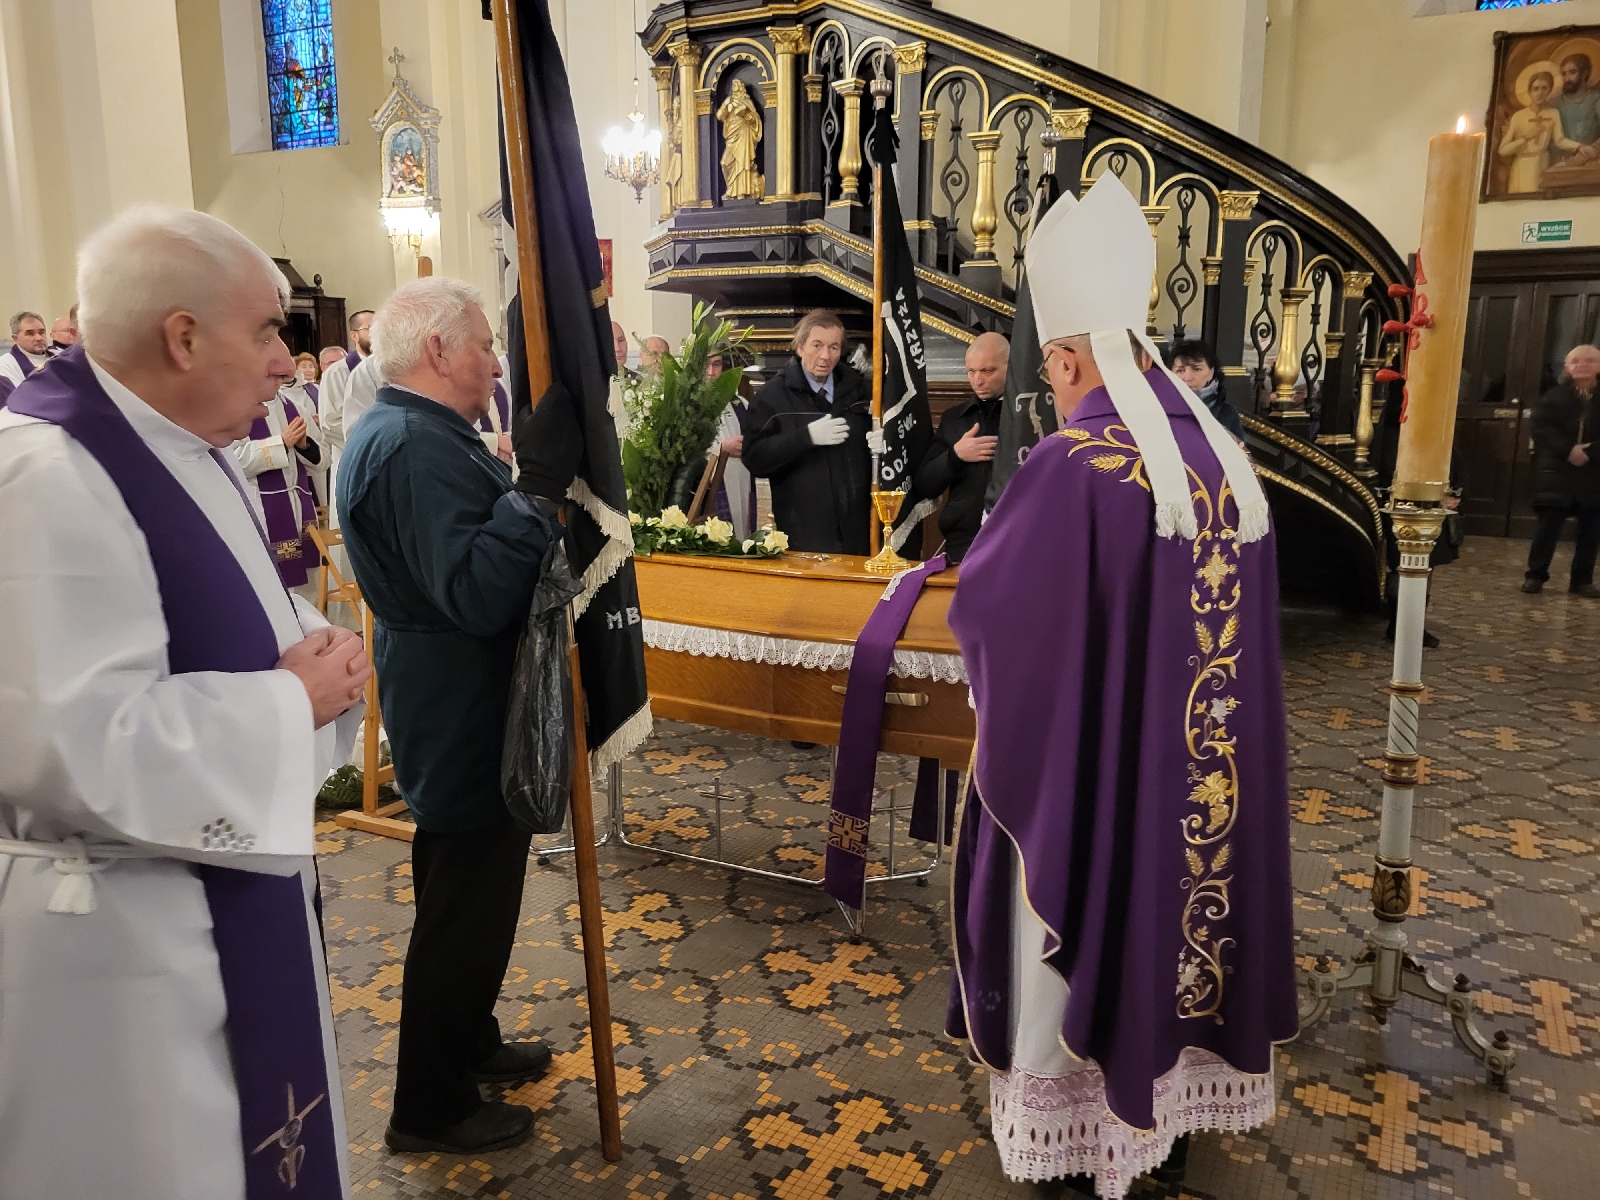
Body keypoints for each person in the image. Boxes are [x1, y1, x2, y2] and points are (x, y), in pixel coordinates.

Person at [0, 204, 369, 1199]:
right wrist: (290, 700)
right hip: (122, 939)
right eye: (268, 330)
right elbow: (74, 744)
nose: (286, 363)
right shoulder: (45, 474)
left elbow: (225, 612)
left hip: (211, 897)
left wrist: (314, 648)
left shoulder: (183, 448)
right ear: (183, 337)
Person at [945, 175, 1295, 1199]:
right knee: (1187, 915)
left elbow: (993, 611)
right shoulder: (1224, 463)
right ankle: (1171, 1112)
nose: (1051, 389)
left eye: (1049, 372)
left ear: (1064, 359)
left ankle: (1079, 1130)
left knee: (1078, 900)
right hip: (1208, 782)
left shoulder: (1076, 463)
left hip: (1100, 778)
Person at [338, 277, 556, 1155]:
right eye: (486, 346)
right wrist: (534, 495)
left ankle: (468, 1041)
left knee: (469, 888)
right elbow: (472, 591)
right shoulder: (412, 445)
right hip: (457, 694)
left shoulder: (419, 431)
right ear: (438, 350)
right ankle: (429, 1107)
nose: (497, 365)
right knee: (463, 901)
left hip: (453, 689)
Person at [742, 308, 872, 554]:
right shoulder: (772, 396)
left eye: (833, 347)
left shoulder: (860, 391)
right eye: (817, 345)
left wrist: (882, 441)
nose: (825, 356)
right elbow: (755, 458)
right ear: (800, 347)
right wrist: (805, 437)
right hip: (804, 532)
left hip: (858, 530)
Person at [912, 331, 1008, 563]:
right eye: (971, 371)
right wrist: (956, 455)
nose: (978, 380)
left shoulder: (1028, 416)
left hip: (1016, 537)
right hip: (963, 542)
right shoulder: (954, 418)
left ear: (1010, 366)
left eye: (987, 371)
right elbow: (925, 485)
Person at [231, 365, 326, 599]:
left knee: (309, 580)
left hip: (300, 504)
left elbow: (323, 461)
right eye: (271, 376)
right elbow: (233, 460)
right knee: (274, 581)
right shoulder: (238, 410)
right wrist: (280, 443)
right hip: (263, 507)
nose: (276, 382)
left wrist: (304, 446)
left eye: (279, 377)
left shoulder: (297, 409)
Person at [1523, 343, 1600, 598]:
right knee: (1547, 529)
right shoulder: (1553, 396)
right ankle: (1535, 575)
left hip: (1593, 473)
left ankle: (1582, 580)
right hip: (1557, 472)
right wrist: (1568, 449)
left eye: (1589, 360)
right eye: (1576, 361)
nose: (1582, 365)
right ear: (1567, 367)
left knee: (1591, 531)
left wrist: (1590, 452)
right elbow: (1541, 427)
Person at [1500, 67, 1578, 195]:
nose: (1540, 93)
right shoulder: (1518, 116)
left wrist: (1579, 146)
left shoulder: (1553, 113)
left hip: (1543, 164)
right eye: (1536, 89)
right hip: (1522, 167)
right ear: (1529, 91)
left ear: (1550, 90)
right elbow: (1503, 150)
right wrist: (1525, 138)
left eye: (1544, 88)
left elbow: (1559, 140)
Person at [319, 308, 374, 469]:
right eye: (370, 328)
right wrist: (373, 443)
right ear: (354, 335)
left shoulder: (391, 368)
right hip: (355, 457)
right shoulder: (337, 372)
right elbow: (330, 423)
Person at [1168, 338, 1245, 440]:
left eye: (1197, 369)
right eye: (1180, 370)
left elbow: (1238, 448)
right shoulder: (1159, 406)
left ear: (1211, 372)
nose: (1188, 378)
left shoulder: (1227, 413)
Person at [1555, 53, 1600, 160]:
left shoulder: (1596, 99)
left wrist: (1593, 149)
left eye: (1572, 72)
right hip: (1561, 161)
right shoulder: (1555, 103)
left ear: (1584, 73)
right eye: (1563, 74)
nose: (1567, 78)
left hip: (1592, 160)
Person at [0, 310, 50, 403]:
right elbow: (18, 401)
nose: (39, 338)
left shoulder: (59, 356)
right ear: (16, 339)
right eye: (30, 333)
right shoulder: (5, 365)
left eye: (41, 332)